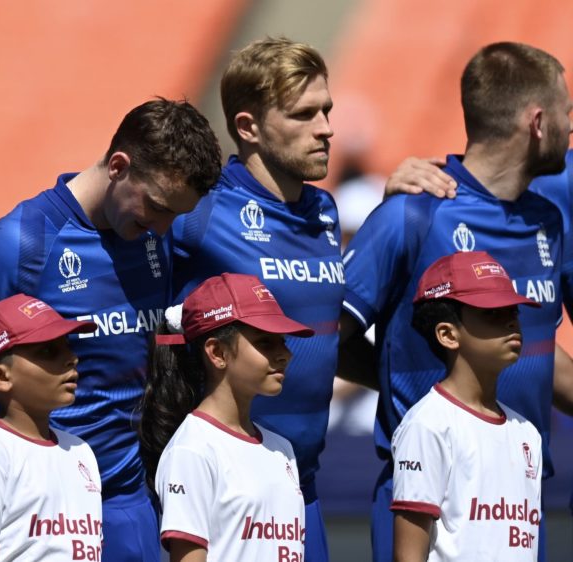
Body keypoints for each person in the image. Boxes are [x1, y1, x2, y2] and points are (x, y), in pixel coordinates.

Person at [337, 42, 572, 561]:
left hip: (521, 498)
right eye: (566, 113)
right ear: (537, 122)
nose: (570, 129)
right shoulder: (413, 216)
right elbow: (323, 341)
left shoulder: (549, 223)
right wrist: (397, 376)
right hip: (429, 503)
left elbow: (536, 351)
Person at [0, 98, 223, 562]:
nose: (164, 227)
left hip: (130, 500)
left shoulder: (153, 237)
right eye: (157, 206)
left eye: (175, 215)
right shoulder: (20, 244)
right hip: (44, 505)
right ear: (118, 165)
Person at [167, 37, 338, 559]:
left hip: (302, 490)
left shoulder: (326, 212)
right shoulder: (199, 212)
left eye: (327, 110)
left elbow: (336, 334)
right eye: (304, 114)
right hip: (226, 495)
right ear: (248, 128)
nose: (326, 128)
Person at [142, 273, 313, 562]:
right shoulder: (192, 450)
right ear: (217, 352)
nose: (285, 354)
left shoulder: (282, 449)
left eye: (282, 342)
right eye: (266, 343)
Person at [393, 251, 542, 561]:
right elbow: (408, 555)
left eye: (512, 309)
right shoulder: (428, 424)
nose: (511, 320)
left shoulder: (528, 433)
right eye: (492, 312)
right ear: (448, 335)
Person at [0, 294, 100, 561]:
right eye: (48, 351)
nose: (71, 358)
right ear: (0, 377)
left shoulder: (81, 450)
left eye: (67, 346)